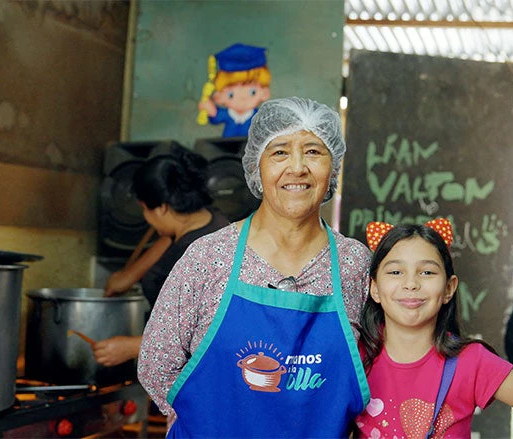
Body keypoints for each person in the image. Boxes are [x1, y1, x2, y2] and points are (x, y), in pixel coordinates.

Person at [138, 96, 372, 437]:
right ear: (256, 167)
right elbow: (156, 363)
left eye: (313, 151)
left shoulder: (355, 263)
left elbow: (381, 368)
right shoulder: (208, 257)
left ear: (333, 167)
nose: (297, 168)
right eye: (279, 152)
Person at [355, 219, 513, 438]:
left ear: (449, 288)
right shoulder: (353, 355)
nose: (410, 284)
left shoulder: (471, 361)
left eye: (427, 272)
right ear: (374, 288)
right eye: (395, 272)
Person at [92, 145, 229, 368]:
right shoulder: (208, 219)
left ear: (163, 207)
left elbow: (213, 331)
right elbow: (171, 236)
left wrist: (132, 347)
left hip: (194, 379)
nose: (146, 218)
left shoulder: (203, 255)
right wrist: (127, 277)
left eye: (145, 209)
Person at [197, 43, 271, 137]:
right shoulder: (228, 115)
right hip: (227, 147)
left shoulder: (258, 116)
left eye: (252, 92)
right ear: (218, 97)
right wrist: (210, 109)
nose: (242, 98)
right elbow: (216, 116)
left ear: (265, 93)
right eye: (231, 95)